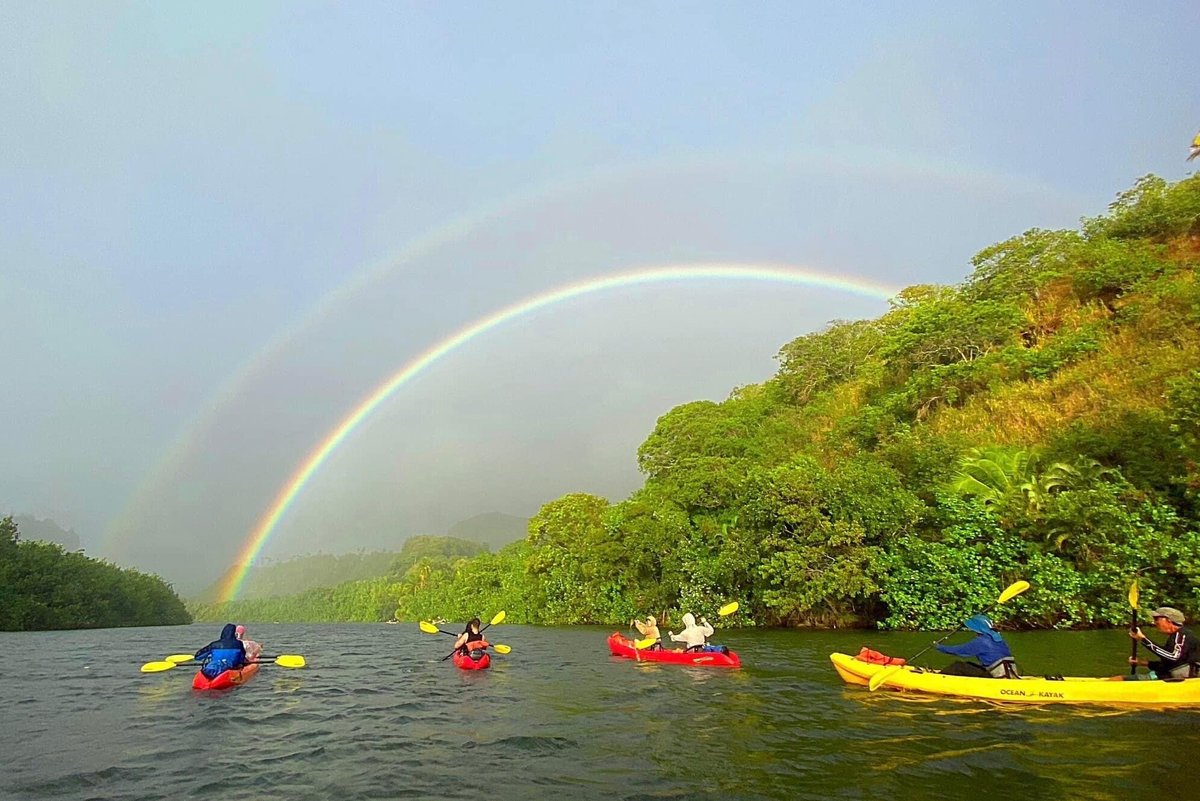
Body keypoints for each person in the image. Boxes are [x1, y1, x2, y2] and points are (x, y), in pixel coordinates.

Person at [935, 615, 1020, 678]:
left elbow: (959, 650)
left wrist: (939, 647)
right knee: (968, 664)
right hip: (1008, 673)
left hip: (996, 676)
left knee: (958, 666)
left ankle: (938, 679)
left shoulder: (981, 641)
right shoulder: (998, 638)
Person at [1128, 607, 1200, 679]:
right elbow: (1171, 663)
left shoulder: (1182, 635)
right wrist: (1142, 663)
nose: (1154, 622)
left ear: (1168, 620)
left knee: (1120, 679)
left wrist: (1143, 639)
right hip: (1168, 676)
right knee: (1120, 678)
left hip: (1184, 679)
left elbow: (1172, 657)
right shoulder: (1175, 637)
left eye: (1156, 619)